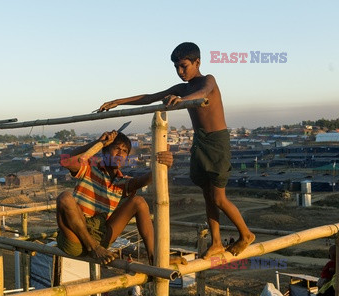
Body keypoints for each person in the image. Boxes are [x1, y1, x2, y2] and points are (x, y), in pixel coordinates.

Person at [98, 42, 255, 258]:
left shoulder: (208, 80)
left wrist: (182, 100)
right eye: (176, 68)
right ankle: (216, 241)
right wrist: (118, 102)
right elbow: (149, 97)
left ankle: (245, 234)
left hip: (217, 143)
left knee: (218, 198)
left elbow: (203, 93)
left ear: (197, 62)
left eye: (184, 66)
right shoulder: (181, 88)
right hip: (199, 142)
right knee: (208, 196)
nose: (180, 72)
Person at [56, 130, 172, 265]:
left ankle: (154, 258)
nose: (119, 154)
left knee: (138, 202)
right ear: (104, 152)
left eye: (124, 151)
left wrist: (163, 164)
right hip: (76, 235)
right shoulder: (89, 168)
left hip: (101, 236)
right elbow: (65, 161)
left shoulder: (122, 182)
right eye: (116, 148)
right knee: (64, 197)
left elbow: (145, 179)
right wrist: (99, 143)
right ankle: (92, 247)